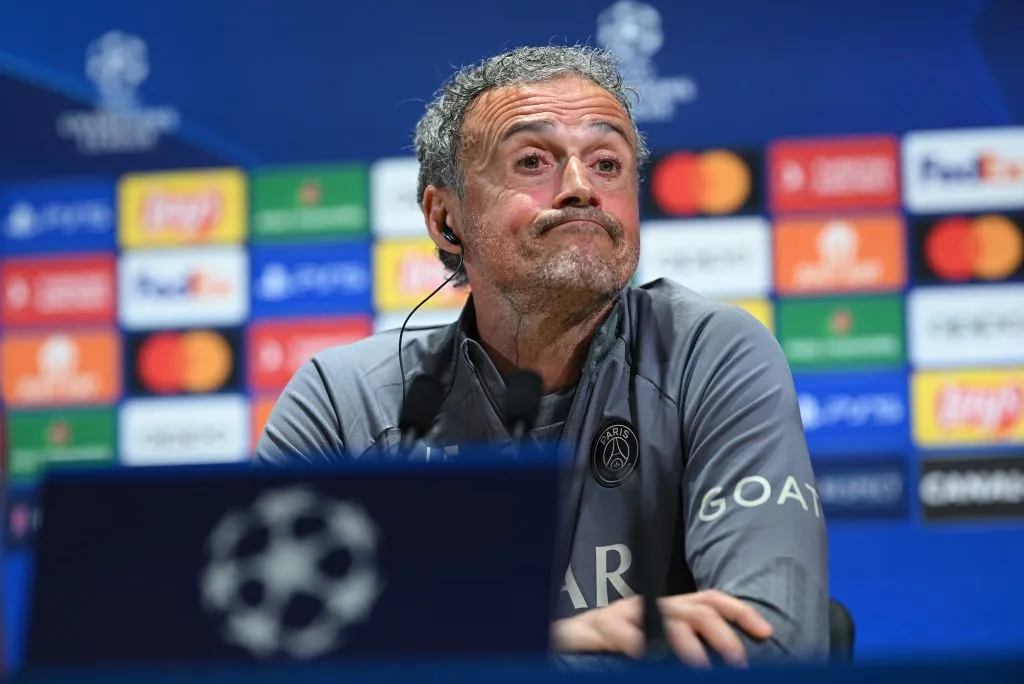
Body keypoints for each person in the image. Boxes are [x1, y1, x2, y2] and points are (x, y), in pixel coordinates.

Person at [256, 45, 829, 667]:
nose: (582, 189)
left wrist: (449, 657)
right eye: (534, 161)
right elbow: (252, 656)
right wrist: (549, 643)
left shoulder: (710, 356)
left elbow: (776, 643)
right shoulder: (344, 402)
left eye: (609, 164)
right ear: (447, 219)